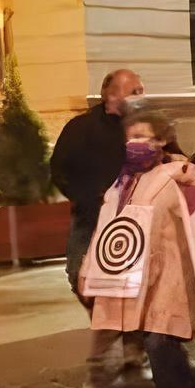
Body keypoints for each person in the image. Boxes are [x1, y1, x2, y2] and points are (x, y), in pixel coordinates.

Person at [80, 111, 195, 388]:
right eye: (131, 136)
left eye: (144, 136)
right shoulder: (122, 182)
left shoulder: (181, 174)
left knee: (157, 345)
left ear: (162, 140)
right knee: (161, 347)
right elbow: (108, 227)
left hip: (170, 277)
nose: (135, 143)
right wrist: (89, 267)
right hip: (130, 278)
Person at [50, 68, 144, 305]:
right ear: (111, 96)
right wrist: (90, 196)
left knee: (135, 282)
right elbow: (61, 170)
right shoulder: (80, 128)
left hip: (137, 221)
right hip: (91, 218)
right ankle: (103, 320)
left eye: (141, 91)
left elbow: (172, 157)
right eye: (134, 92)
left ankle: (129, 332)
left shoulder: (147, 127)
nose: (141, 97)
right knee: (79, 274)